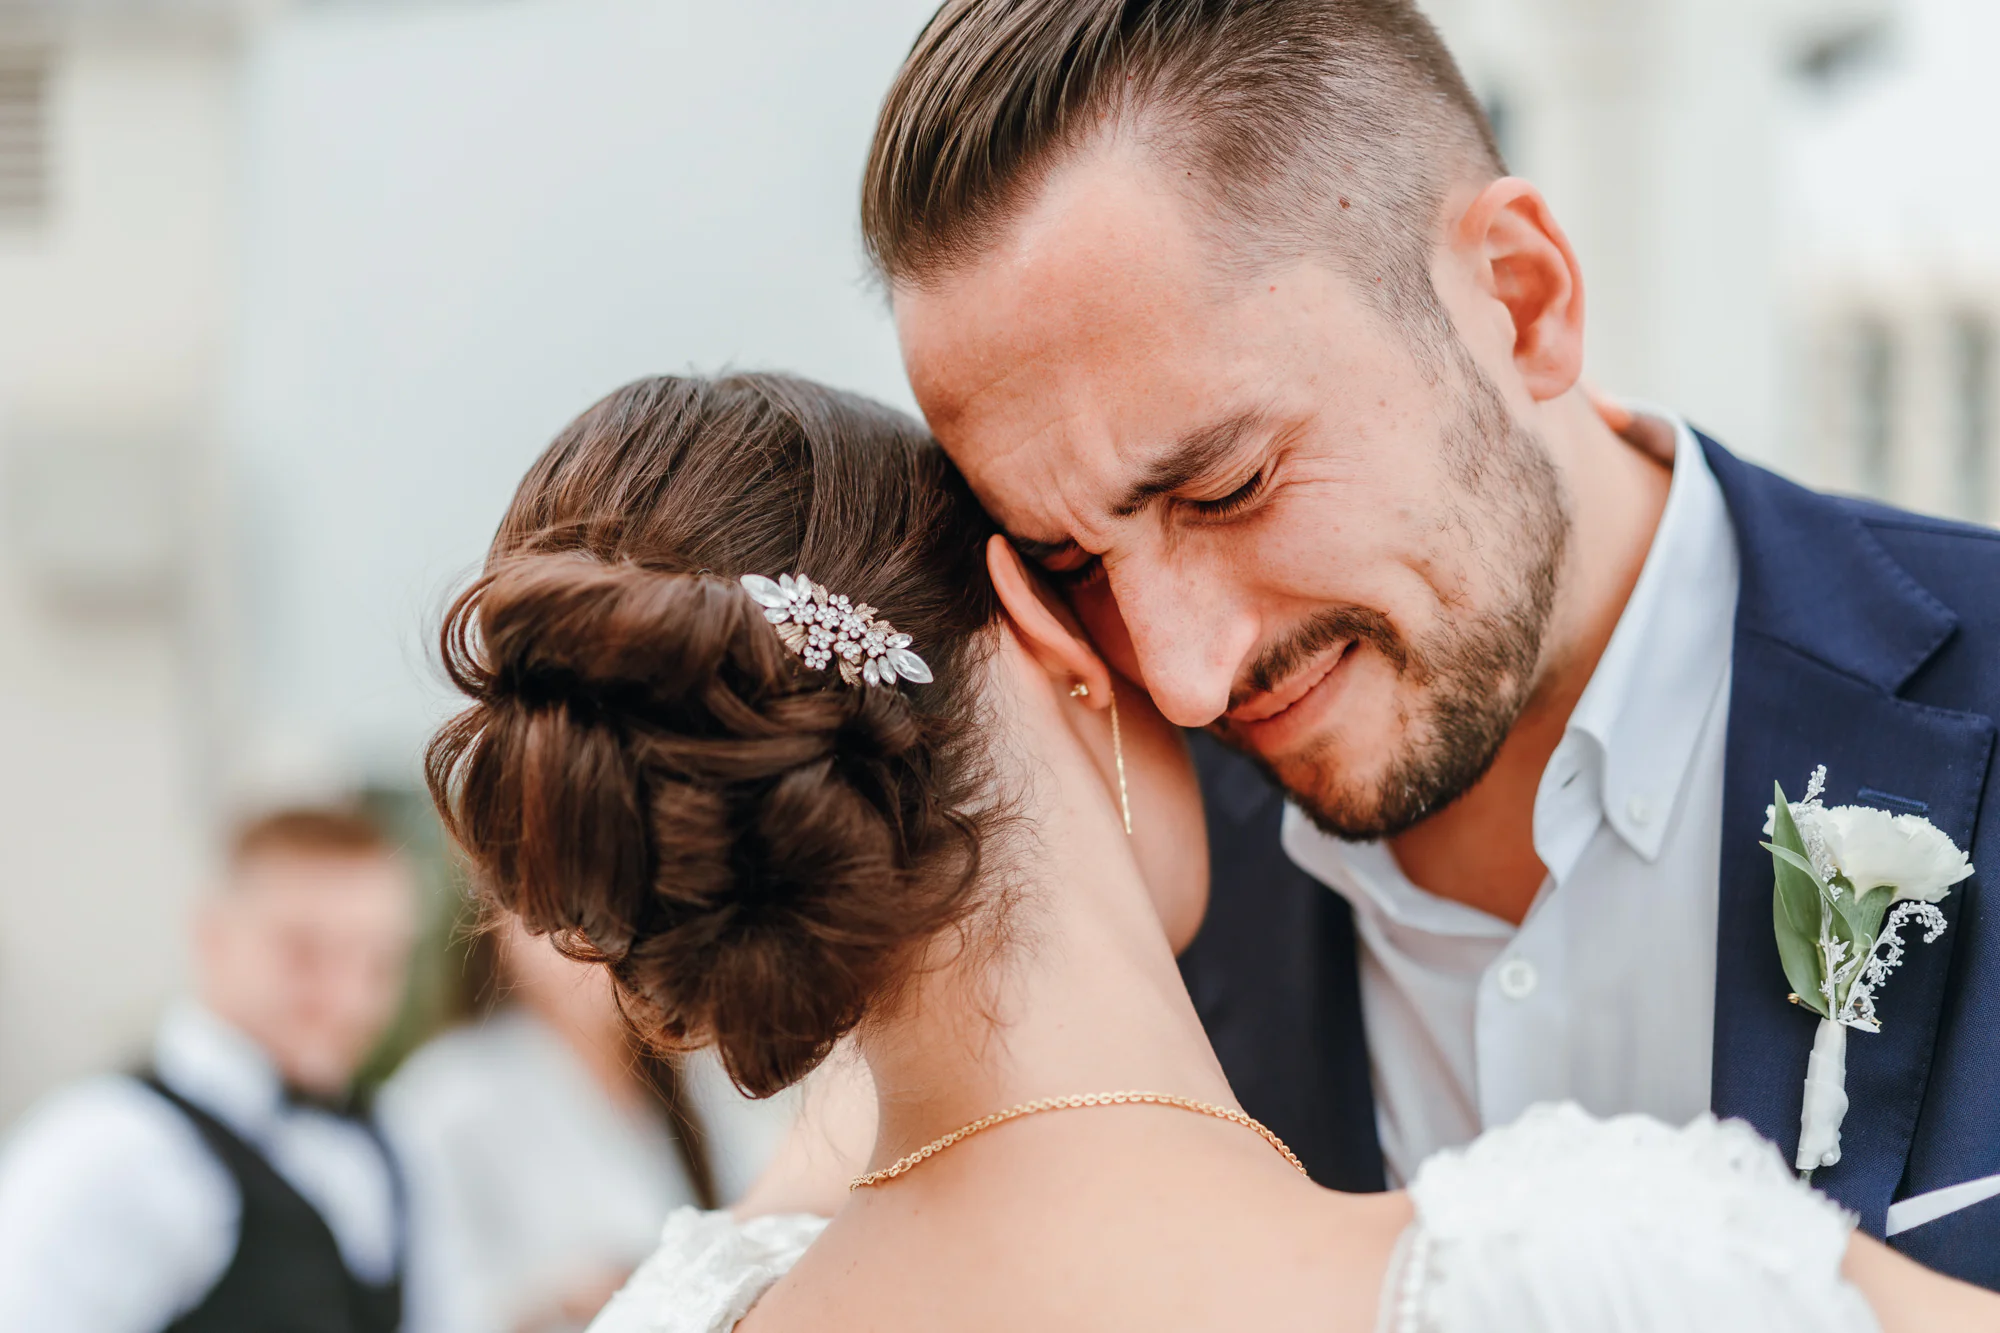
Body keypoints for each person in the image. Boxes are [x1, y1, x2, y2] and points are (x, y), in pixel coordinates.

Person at [423, 371, 1996, 1331]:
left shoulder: (683, 1306)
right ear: (1053, 640)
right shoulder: (1598, 1276)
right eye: (1086, 569)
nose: (1194, 671)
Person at [857, 0, 2000, 1288]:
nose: (1180, 675)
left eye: (1227, 484)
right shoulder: (1113, 930)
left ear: (1519, 302)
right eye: (1072, 566)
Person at [0, 805, 419, 1332]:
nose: (348, 999)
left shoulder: (392, 1134)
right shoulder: (105, 1148)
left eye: (378, 961)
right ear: (213, 938)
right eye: (304, 953)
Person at [381, 916, 716, 1333]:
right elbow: (414, 1300)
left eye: (615, 907)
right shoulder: (444, 1094)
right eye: (553, 914)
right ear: (497, 925)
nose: (586, 941)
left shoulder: (705, 1075)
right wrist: (558, 1298)